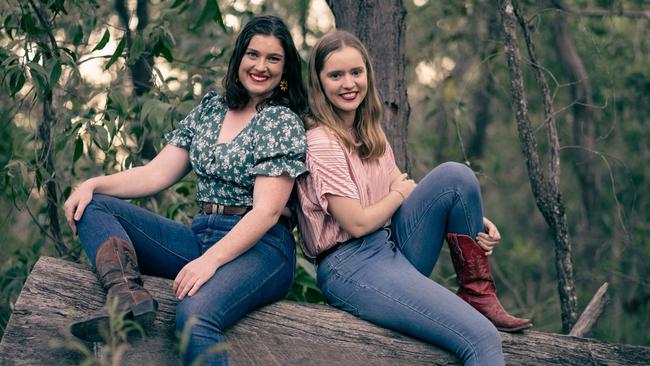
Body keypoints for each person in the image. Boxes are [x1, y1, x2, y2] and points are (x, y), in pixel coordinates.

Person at [63, 15, 308, 365]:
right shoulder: (211, 110)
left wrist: (209, 262)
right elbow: (155, 174)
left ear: (285, 69)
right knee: (95, 206)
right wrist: (92, 183)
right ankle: (127, 299)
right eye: (253, 54)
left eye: (273, 59)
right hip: (201, 235)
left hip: (262, 247)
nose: (261, 66)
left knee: (195, 317)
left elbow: (267, 212)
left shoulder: (281, 121)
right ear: (239, 57)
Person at [296, 30, 531, 366]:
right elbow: (357, 222)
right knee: (481, 338)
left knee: (456, 177)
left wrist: (472, 218)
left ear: (367, 75)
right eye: (336, 75)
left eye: (356, 72)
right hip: (350, 267)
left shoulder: (368, 133)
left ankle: (478, 292)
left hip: (391, 247)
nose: (349, 83)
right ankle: (477, 322)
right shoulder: (321, 143)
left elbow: (408, 188)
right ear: (319, 83)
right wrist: (396, 195)